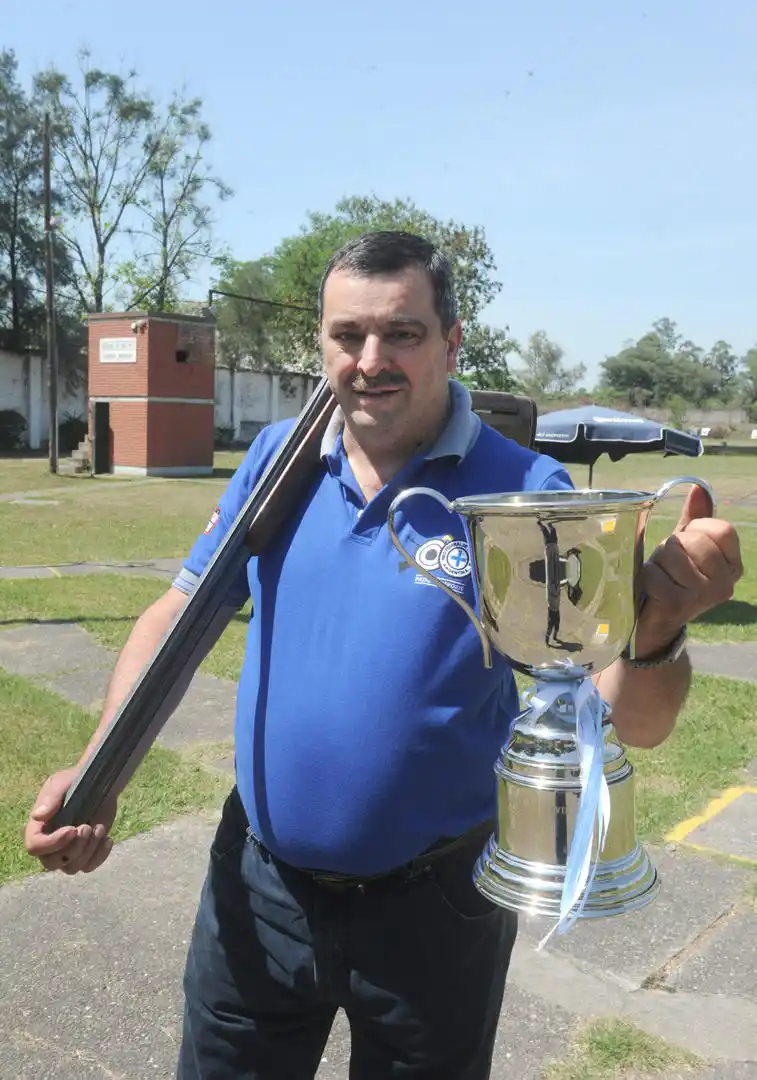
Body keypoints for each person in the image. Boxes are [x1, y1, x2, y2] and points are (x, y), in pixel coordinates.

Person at [24, 231, 742, 1079]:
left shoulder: (524, 493)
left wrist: (658, 628)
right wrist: (101, 765)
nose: (370, 361)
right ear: (322, 343)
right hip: (258, 885)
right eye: (347, 335)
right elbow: (181, 609)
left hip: (437, 906)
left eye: (401, 333)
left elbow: (627, 720)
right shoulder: (277, 461)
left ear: (451, 341)